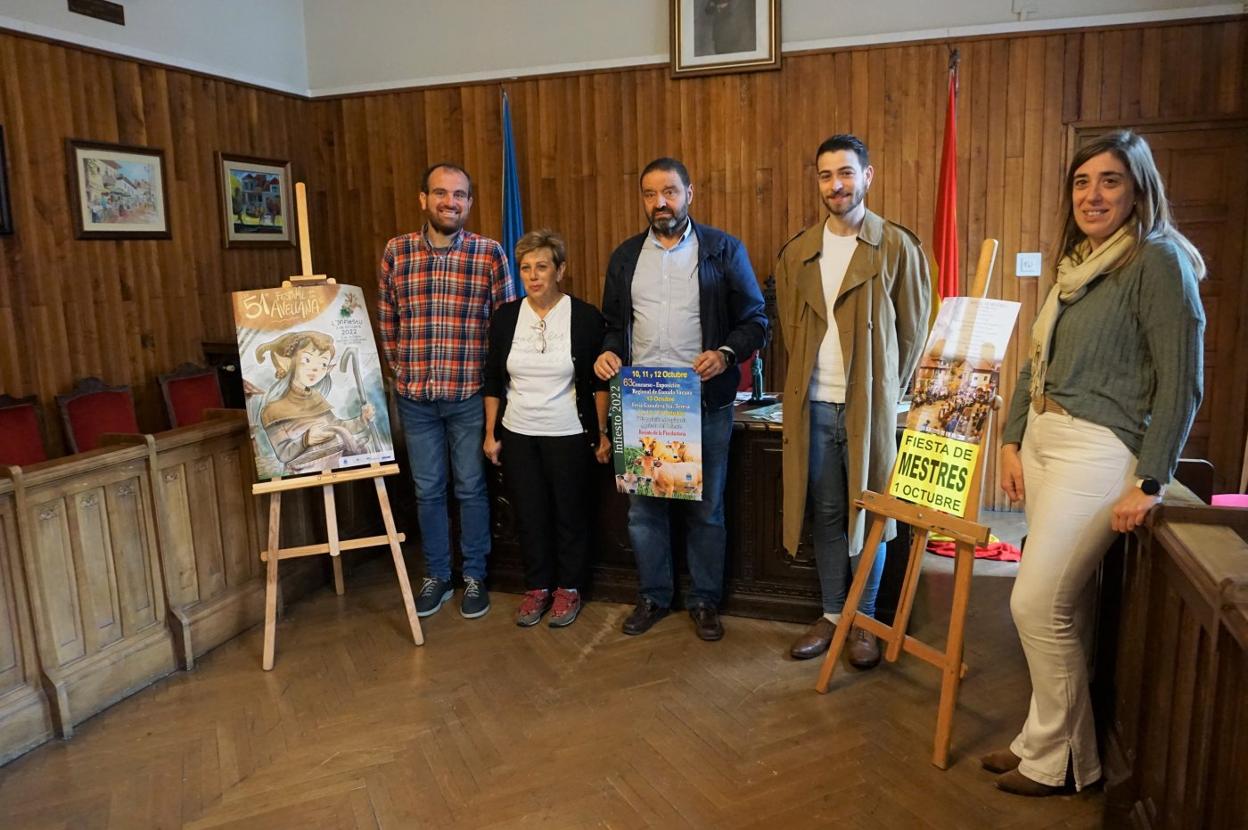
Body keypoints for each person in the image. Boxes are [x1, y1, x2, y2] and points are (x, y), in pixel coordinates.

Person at [986, 130, 1205, 796]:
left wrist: (1151, 478)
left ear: (1139, 188)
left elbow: (1182, 381)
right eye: (1082, 182)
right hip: (1050, 443)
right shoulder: (1079, 263)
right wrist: (1014, 439)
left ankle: (1056, 763)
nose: (1093, 194)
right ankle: (1053, 749)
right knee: (1065, 609)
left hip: (1099, 450)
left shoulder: (1157, 261)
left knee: (1034, 603)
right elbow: (1035, 361)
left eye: (1109, 181)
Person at [594, 157, 768, 641]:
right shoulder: (626, 256)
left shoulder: (721, 250)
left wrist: (726, 353)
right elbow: (613, 327)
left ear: (690, 193)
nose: (660, 202)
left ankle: (705, 601)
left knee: (705, 510)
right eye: (650, 194)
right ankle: (653, 595)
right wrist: (608, 355)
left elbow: (756, 320)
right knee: (644, 511)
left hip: (703, 402)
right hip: (644, 401)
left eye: (669, 191)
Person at [775, 134, 931, 667]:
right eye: (825, 175)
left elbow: (913, 330)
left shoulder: (897, 247)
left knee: (871, 516)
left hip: (870, 409)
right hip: (814, 406)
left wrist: (884, 391)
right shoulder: (798, 252)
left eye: (845, 172)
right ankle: (832, 614)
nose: (835, 184)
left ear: (868, 175)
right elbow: (794, 335)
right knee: (825, 513)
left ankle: (863, 621)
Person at [378, 162, 516, 620]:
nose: (449, 202)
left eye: (459, 195)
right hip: (415, 400)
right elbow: (387, 323)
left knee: (472, 489)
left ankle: (474, 575)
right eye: (440, 193)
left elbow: (505, 328)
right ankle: (437, 575)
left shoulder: (489, 254)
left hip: (469, 397)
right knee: (427, 490)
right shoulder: (396, 253)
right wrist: (403, 374)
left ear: (469, 203)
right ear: (424, 199)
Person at [482, 230, 611, 628]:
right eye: (526, 268)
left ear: (560, 270)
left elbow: (599, 383)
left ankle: (568, 589)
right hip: (519, 432)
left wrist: (601, 433)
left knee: (569, 513)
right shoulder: (505, 317)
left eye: (542, 267)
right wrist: (491, 434)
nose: (534, 276)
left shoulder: (585, 316)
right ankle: (537, 586)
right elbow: (492, 380)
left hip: (569, 433)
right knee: (530, 514)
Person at [254, 330, 376, 475]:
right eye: (307, 360)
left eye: (323, 364)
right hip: (306, 471)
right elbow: (283, 454)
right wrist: (306, 440)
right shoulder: (272, 410)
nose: (316, 369)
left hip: (338, 463)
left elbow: (339, 425)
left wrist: (362, 420)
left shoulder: (315, 397)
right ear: (288, 362)